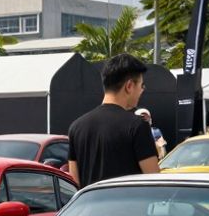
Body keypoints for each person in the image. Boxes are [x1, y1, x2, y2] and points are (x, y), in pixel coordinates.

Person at [66, 54, 160, 188]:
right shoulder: (137, 126)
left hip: (90, 207)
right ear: (129, 86)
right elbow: (154, 182)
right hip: (128, 208)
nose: (142, 90)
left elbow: (75, 183)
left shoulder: (76, 128)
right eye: (141, 85)